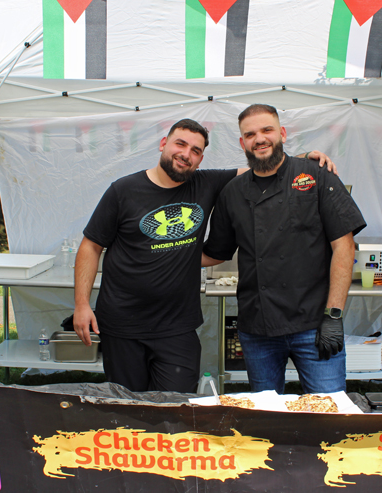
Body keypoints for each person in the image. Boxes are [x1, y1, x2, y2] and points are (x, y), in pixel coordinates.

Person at [73, 118, 336, 393]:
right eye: (180, 144)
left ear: (200, 159)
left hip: (177, 327)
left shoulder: (206, 183)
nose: (186, 154)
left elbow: (261, 167)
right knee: (127, 407)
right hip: (122, 324)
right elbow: (90, 246)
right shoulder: (123, 190)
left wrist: (302, 158)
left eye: (196, 151)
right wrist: (81, 304)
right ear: (164, 144)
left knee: (177, 409)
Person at [203, 104, 366, 394]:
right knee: (268, 418)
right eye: (250, 134)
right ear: (243, 143)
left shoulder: (316, 175)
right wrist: (164, 254)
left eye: (267, 130)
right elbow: (216, 252)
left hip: (314, 324)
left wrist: (334, 315)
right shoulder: (232, 192)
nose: (260, 139)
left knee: (327, 413)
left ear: (283, 134)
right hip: (258, 328)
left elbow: (344, 247)